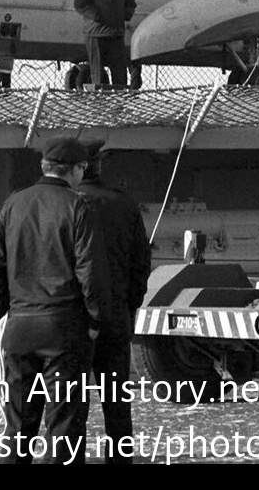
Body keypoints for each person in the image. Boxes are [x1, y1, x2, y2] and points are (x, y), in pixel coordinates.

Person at [0, 136, 103, 465]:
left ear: (44, 166)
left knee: (17, 425)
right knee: (64, 426)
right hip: (64, 327)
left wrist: (0, 321)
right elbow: (89, 272)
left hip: (19, 325)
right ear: (75, 170)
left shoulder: (13, 204)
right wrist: (94, 321)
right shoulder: (77, 206)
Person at [76, 140, 152, 464]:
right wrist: (130, 306)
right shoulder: (123, 204)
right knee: (118, 407)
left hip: (75, 322)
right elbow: (140, 264)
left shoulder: (66, 204)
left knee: (70, 407)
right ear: (99, 166)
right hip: (117, 318)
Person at [72, 0, 137, 90]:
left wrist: (124, 15)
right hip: (95, 34)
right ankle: (100, 105)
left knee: (120, 73)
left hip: (115, 34)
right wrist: (96, 15)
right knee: (98, 73)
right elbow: (79, 3)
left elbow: (131, 2)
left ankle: (119, 105)